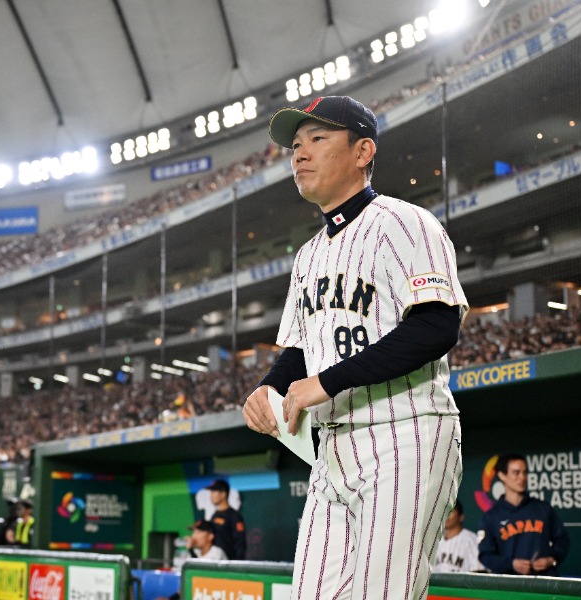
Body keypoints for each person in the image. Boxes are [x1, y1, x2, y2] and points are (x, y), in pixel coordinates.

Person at [242, 95, 468, 599]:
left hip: (404, 433)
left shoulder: (405, 222)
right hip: (333, 449)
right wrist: (268, 387)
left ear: (363, 150)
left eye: (317, 139)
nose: (299, 153)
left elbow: (435, 327)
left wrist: (320, 384)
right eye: (295, 145)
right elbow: (303, 349)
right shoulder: (307, 256)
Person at [477, 453, 569, 575]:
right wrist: (511, 564)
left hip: (545, 584)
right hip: (510, 586)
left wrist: (552, 560)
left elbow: (562, 540)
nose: (522, 477)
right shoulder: (491, 517)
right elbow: (486, 555)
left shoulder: (543, 509)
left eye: (525, 472)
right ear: (502, 475)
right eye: (516, 473)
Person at [433, 500, 486, 573]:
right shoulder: (434, 541)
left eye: (451, 512)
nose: (446, 515)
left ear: (461, 517)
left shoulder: (471, 540)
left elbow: (480, 572)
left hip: (460, 584)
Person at [205, 479, 246, 560]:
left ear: (223, 494)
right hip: (215, 561)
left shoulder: (234, 516)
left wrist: (236, 564)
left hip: (229, 563)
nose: (211, 495)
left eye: (214, 492)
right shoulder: (214, 515)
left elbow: (240, 543)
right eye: (211, 492)